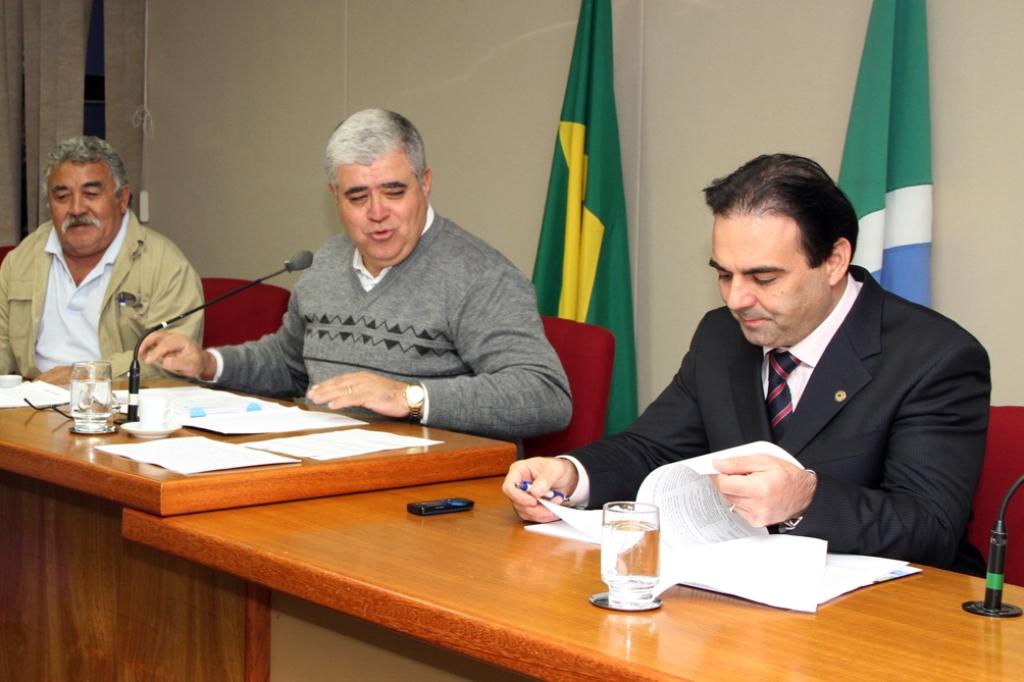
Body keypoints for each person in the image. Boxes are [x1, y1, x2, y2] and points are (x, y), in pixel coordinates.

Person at [504, 153, 990, 574]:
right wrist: (571, 473)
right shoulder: (721, 336)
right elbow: (652, 449)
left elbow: (932, 526)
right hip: (740, 594)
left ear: (835, 260)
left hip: (892, 618)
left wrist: (804, 502)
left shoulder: (936, 358)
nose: (738, 299)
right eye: (725, 275)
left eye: (763, 276)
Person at [139, 109, 571, 442]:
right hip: (322, 463)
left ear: (426, 183)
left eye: (394, 191)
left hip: (432, 491)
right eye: (358, 196)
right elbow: (289, 365)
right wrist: (206, 362)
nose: (377, 213)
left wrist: (408, 398)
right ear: (335, 198)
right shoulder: (327, 261)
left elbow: (543, 395)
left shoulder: (480, 276)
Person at [0, 136, 203, 385]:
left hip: (119, 407)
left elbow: (171, 361)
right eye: (62, 197)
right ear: (49, 204)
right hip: (31, 403)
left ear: (122, 199)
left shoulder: (166, 266)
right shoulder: (21, 259)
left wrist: (85, 375)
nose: (76, 209)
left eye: (91, 194)